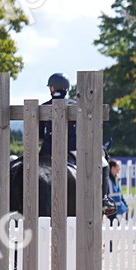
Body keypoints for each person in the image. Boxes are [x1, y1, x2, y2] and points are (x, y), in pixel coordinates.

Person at [37, 72, 115, 215]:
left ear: (52, 88)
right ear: (66, 88)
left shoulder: (42, 107)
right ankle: (104, 199)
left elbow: (40, 134)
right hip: (72, 150)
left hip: (48, 152)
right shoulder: (76, 105)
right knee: (103, 163)